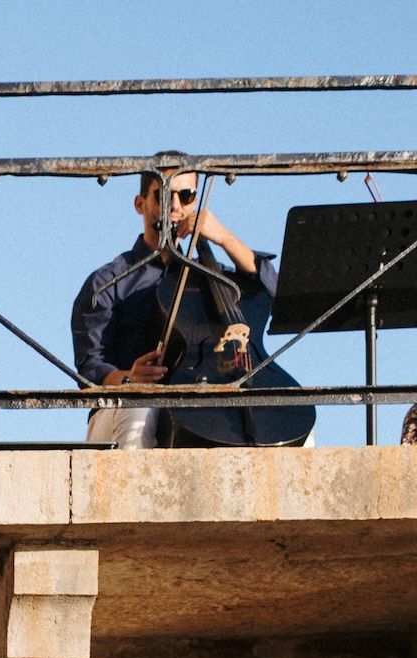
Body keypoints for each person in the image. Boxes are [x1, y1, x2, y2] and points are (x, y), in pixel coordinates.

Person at [73, 165, 283, 448]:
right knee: (139, 409)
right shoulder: (107, 281)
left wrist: (223, 237)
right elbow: (89, 369)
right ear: (140, 204)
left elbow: (275, 292)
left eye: (186, 196)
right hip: (119, 413)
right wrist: (129, 379)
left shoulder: (210, 278)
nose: (175, 206)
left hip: (196, 410)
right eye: (163, 196)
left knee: (290, 417)